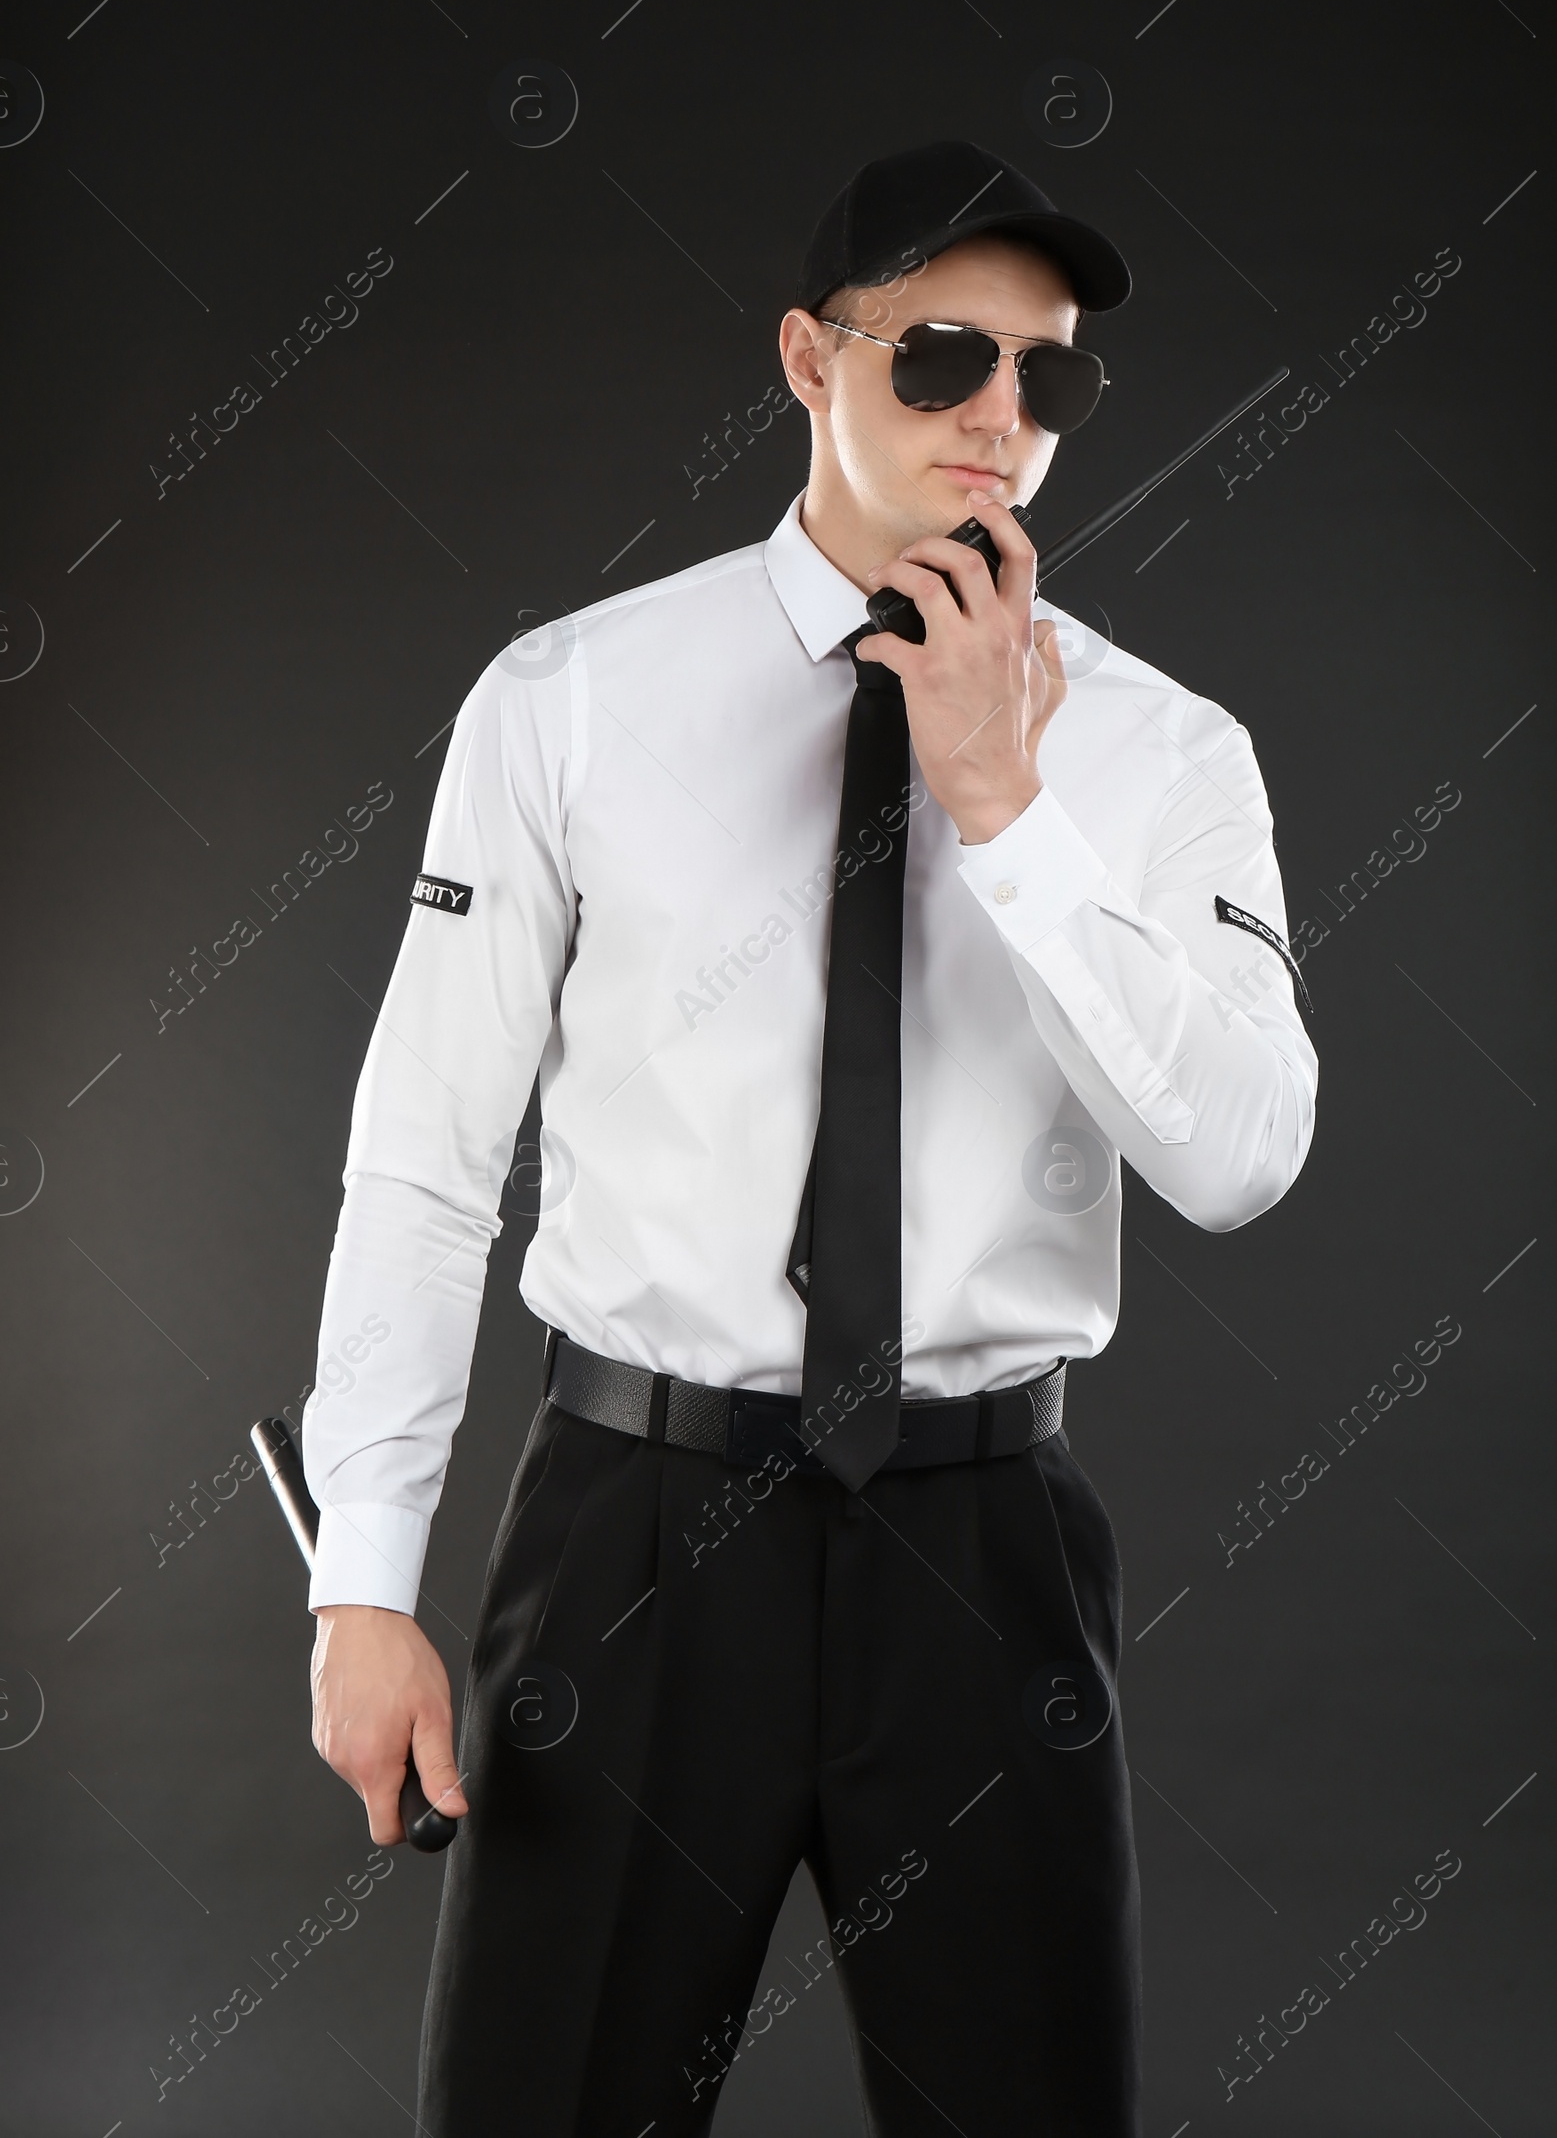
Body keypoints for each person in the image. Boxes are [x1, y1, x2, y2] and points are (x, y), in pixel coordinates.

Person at [303, 137, 1317, 2136]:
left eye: (1049, 377)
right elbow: (423, 1155)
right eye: (942, 357)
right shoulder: (567, 702)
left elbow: (1238, 1153)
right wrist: (364, 1579)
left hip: (979, 1542)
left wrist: (1010, 811)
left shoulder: (1164, 752)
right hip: (633, 1532)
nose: (1000, 421)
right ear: (805, 360)